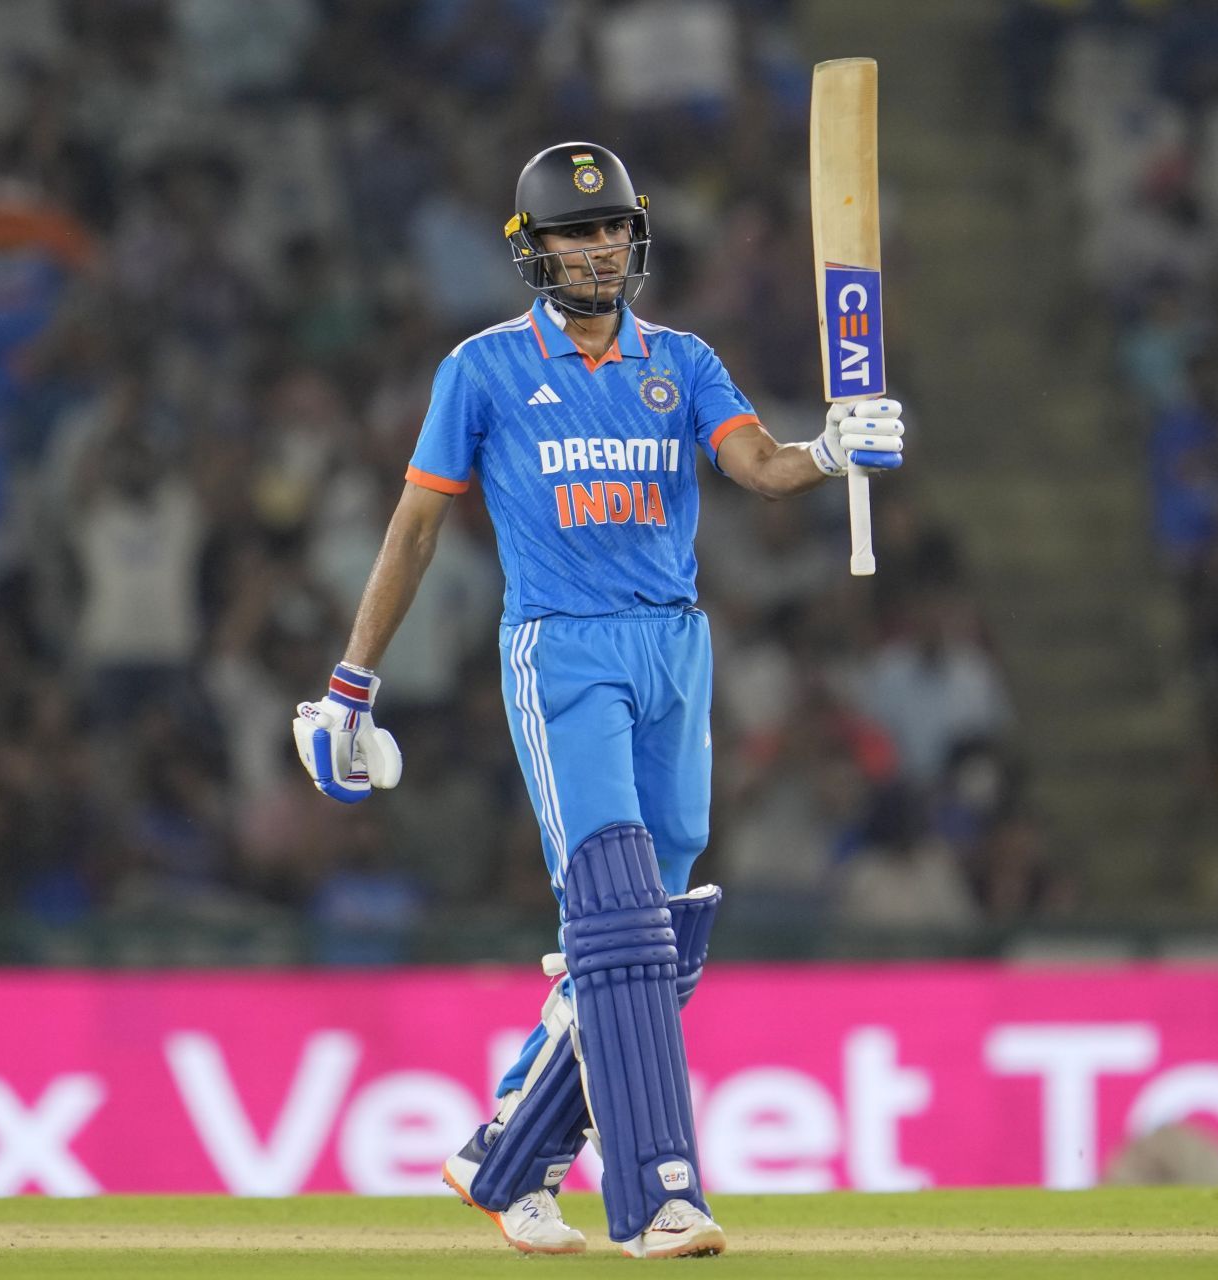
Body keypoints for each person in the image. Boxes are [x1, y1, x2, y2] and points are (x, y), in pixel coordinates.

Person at [290, 142, 905, 1257]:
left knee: (653, 941)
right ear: (535, 252)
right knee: (618, 915)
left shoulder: (683, 360)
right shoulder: (480, 370)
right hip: (562, 651)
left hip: (676, 646)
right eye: (578, 232)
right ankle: (660, 1191)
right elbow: (417, 524)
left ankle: (507, 1153)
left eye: (615, 226)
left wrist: (829, 449)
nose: (601, 246)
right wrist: (351, 679)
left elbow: (758, 465)